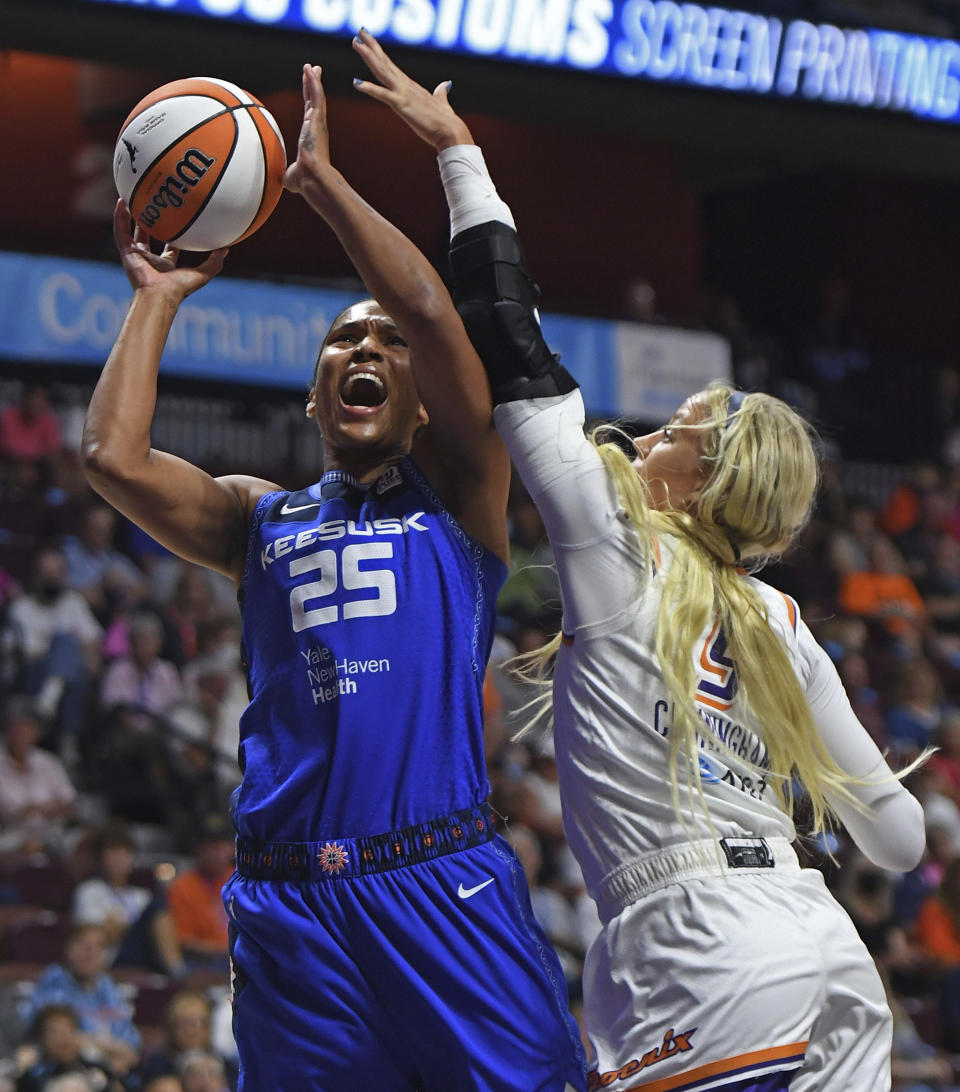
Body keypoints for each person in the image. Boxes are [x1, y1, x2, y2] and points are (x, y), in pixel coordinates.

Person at [349, 30, 927, 1091]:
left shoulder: (618, 556)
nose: (646, 438)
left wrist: (459, 155)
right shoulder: (789, 627)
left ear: (697, 481)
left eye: (671, 433)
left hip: (696, 945)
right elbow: (898, 837)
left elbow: (508, 339)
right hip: (824, 949)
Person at [79, 54, 584, 1092]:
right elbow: (113, 460)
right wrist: (158, 296)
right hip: (290, 908)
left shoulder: (459, 492)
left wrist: (319, 186)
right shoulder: (256, 519)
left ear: (423, 403)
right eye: (342, 343)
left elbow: (440, 317)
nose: (365, 347)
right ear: (313, 400)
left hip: (440, 884)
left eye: (382, 345)